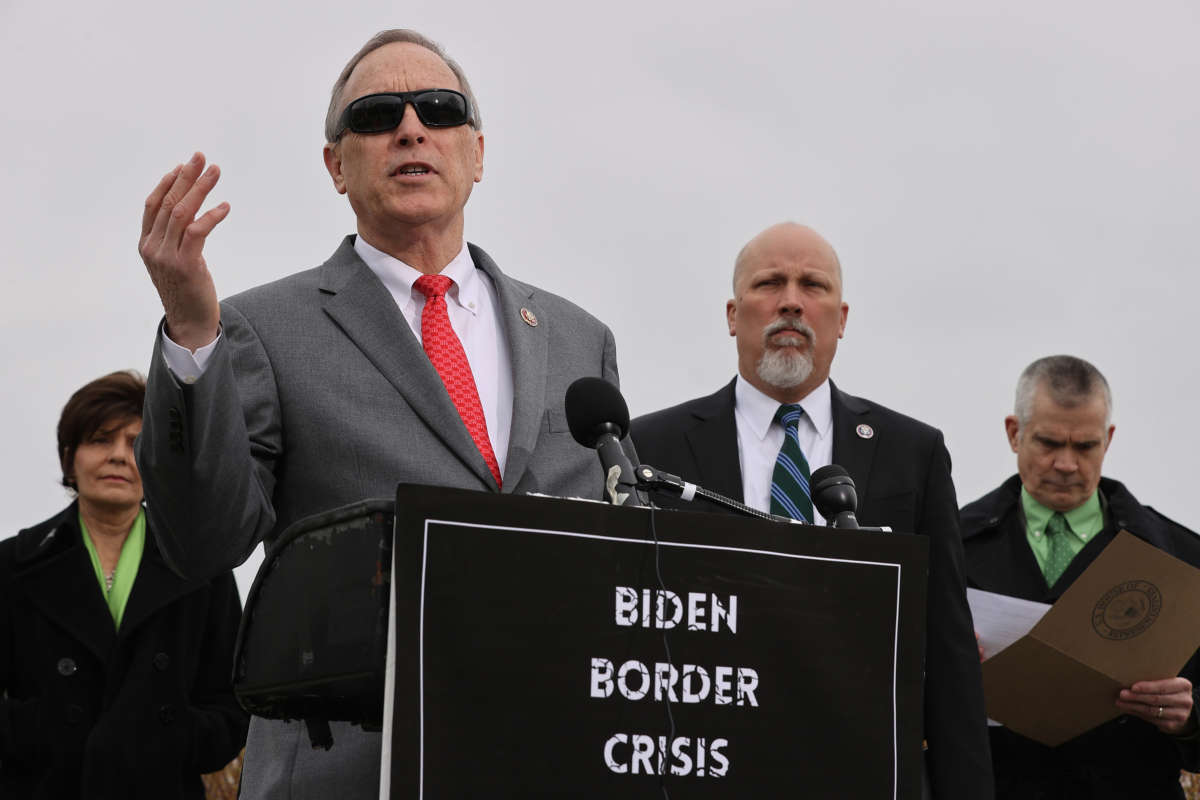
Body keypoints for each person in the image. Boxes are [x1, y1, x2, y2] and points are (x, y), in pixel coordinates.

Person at [136, 29, 625, 798]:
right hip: (352, 766)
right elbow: (201, 543)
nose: (409, 128)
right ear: (336, 165)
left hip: (552, 757)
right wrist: (195, 335)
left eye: (438, 108)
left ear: (478, 153)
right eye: (375, 115)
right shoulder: (261, 329)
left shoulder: (577, 340)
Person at [630, 222, 993, 798]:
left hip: (861, 767)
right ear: (732, 314)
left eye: (813, 286)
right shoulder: (654, 447)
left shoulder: (911, 453)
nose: (792, 302)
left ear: (842, 320)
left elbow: (947, 646)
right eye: (770, 283)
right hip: (705, 764)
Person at [960, 355, 1200, 799]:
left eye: (1085, 447)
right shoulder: (950, 546)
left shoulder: (1184, 558)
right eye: (1049, 443)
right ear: (1014, 433)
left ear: (1108, 440)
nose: (1066, 464)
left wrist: (1188, 718)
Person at [0, 370, 247, 798]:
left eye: (137, 444)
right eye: (100, 439)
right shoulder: (11, 564)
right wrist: (40, 729)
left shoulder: (203, 567)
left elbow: (233, 706)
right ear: (68, 457)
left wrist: (168, 735)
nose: (119, 456)